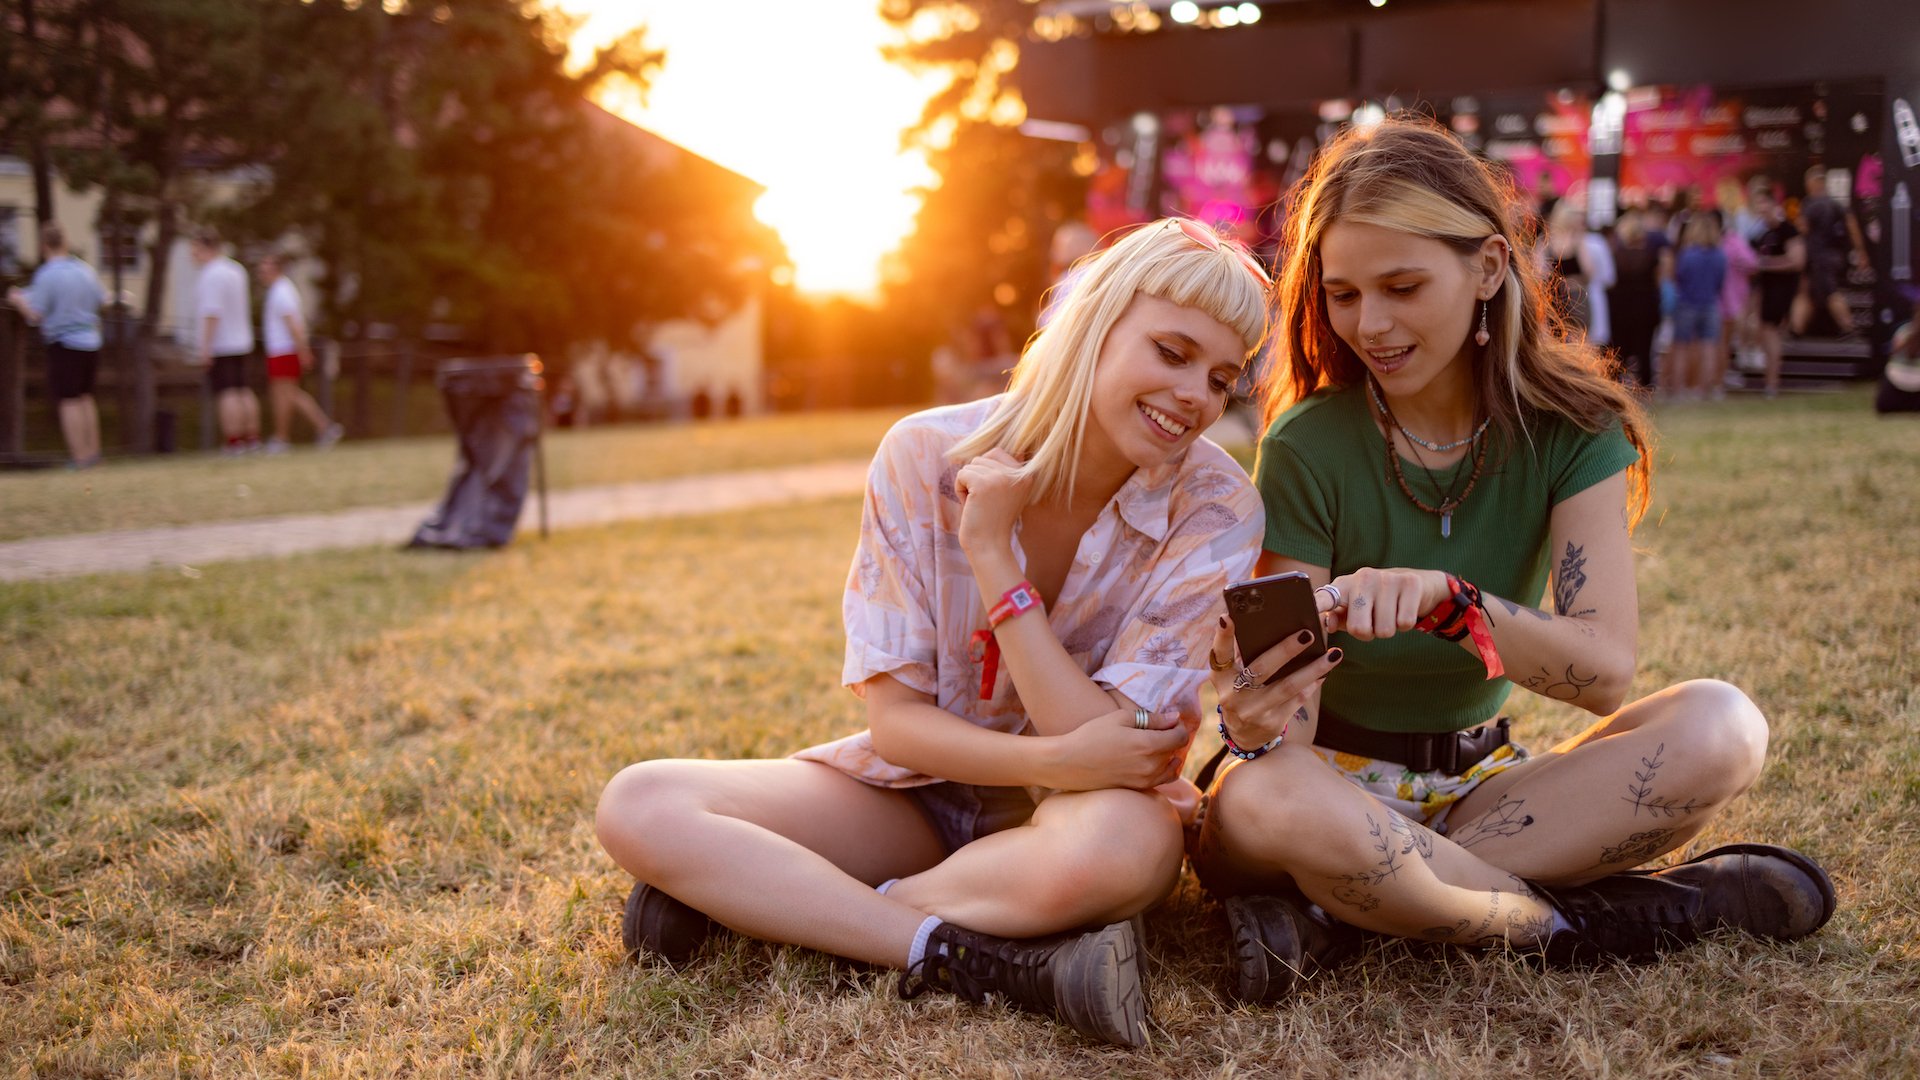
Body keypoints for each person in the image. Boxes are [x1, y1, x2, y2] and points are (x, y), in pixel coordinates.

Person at [1187, 117, 1833, 1005]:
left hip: (1482, 791)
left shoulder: (1574, 429)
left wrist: (1450, 602)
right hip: (1324, 793)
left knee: (1722, 725)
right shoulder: (1308, 442)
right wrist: (1257, 714)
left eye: (1403, 286)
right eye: (1343, 294)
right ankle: (1584, 924)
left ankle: (1345, 916)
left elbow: (1604, 675)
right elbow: (1283, 739)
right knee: (1268, 800)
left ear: (1490, 267)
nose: (1370, 325)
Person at [595, 218, 1272, 1047]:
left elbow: (1104, 746)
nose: (1196, 397)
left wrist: (995, 560)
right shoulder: (924, 454)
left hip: (1079, 817)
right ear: (1095, 326)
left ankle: (780, 908)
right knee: (642, 801)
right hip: (917, 794)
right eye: (1171, 353)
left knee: (1131, 855)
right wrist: (1049, 760)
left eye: (1220, 377)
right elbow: (898, 725)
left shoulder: (1216, 508)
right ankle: (963, 951)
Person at [6, 222, 104, 468]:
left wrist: (18, 301)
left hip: (65, 342)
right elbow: (100, 299)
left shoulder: (47, 274)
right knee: (85, 397)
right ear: (65, 242)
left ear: (43, 246)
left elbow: (35, 314)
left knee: (69, 399)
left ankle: (79, 457)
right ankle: (93, 453)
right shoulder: (84, 270)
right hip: (91, 341)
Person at [258, 252, 343, 452]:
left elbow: (294, 325)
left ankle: (285, 437)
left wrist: (302, 350)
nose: (261, 272)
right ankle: (319, 428)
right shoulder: (279, 290)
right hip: (280, 351)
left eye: (265, 267)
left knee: (286, 395)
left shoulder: (282, 291)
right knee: (288, 395)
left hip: (284, 351)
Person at [190, 228, 261, 454]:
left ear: (204, 248)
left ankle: (233, 440)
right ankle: (252, 437)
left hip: (223, 343)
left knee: (227, 392)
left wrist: (205, 346)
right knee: (243, 390)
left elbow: (212, 312)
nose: (193, 255)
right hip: (242, 340)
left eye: (195, 249)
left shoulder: (212, 274)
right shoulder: (236, 269)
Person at [1793, 166, 1867, 338]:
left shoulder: (1811, 204)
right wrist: (1860, 251)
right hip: (1833, 257)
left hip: (1818, 258)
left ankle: (1848, 327)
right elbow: (1852, 226)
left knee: (1830, 292)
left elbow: (1802, 227)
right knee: (1806, 292)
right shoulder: (1837, 204)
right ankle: (1796, 329)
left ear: (1814, 183)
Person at [1750, 187, 1805, 399]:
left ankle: (1772, 383)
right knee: (1765, 333)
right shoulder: (1764, 234)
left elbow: (1797, 260)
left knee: (1771, 333)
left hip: (1781, 292)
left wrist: (1765, 264)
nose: (1761, 209)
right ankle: (1769, 381)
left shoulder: (1788, 230)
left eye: (1764, 204)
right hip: (1767, 291)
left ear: (1774, 205)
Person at [1669, 213, 1728, 398]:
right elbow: (1720, 282)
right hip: (1710, 303)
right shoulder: (1720, 255)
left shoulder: (1688, 254)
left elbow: (1679, 277)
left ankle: (1678, 389)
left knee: (1681, 348)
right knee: (1708, 347)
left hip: (1687, 302)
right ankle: (1705, 389)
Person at [1542, 200, 1615, 347]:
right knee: (1580, 346)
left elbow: (1540, 274)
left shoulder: (1545, 243)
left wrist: (1558, 282)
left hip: (1554, 301)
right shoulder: (1578, 242)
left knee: (1556, 346)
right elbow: (1589, 272)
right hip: (1576, 300)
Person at [1607, 209, 1662, 388]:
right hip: (1646, 306)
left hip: (1620, 307)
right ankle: (1645, 385)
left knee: (1619, 349)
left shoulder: (1615, 255)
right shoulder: (1652, 254)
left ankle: (1617, 384)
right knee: (1645, 349)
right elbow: (1659, 280)